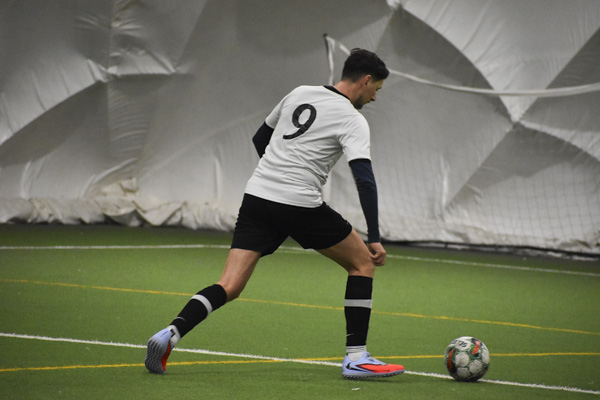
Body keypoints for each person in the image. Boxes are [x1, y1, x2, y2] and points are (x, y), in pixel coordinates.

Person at [145, 48, 405, 379]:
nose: (374, 97)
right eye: (376, 89)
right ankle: (356, 358)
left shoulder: (299, 93)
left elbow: (260, 138)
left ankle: (170, 333)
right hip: (298, 202)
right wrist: (375, 237)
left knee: (229, 284)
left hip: (258, 196)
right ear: (366, 80)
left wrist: (277, 173)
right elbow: (364, 180)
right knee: (362, 263)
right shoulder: (353, 119)